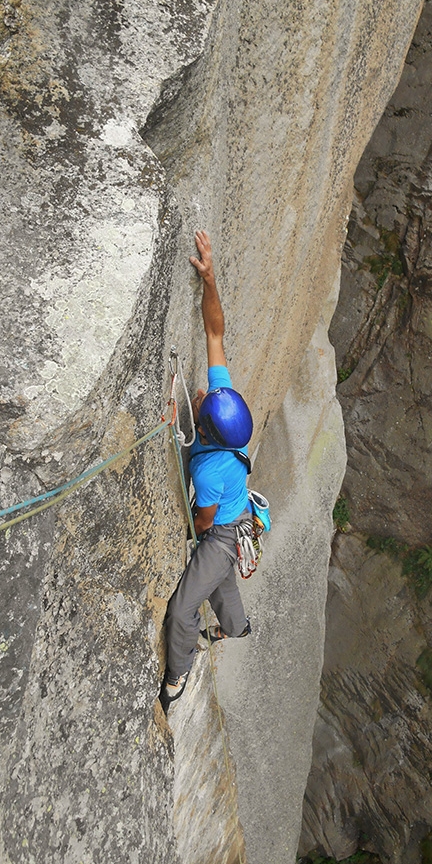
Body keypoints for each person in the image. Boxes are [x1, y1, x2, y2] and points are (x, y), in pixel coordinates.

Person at [160, 230, 254, 711]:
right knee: (221, 584)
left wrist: (196, 527)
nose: (200, 392)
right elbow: (215, 332)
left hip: (220, 532)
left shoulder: (212, 468)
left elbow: (203, 522)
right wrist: (210, 278)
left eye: (201, 399)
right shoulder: (224, 408)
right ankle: (237, 627)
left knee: (182, 609)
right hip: (235, 521)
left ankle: (179, 673)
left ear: (209, 432)